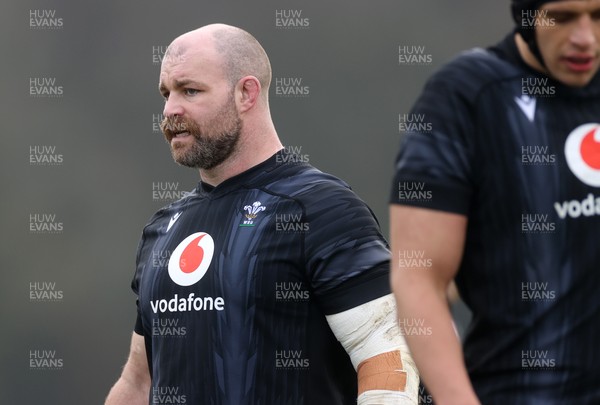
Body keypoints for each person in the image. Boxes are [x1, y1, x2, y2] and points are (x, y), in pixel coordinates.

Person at [105, 23, 418, 404]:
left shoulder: (320, 208)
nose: (171, 109)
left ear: (246, 93)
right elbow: (139, 383)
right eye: (166, 93)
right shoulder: (162, 229)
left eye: (190, 90)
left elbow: (388, 355)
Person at [390, 0, 600, 403]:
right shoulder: (465, 96)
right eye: (562, 16)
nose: (584, 38)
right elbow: (419, 278)